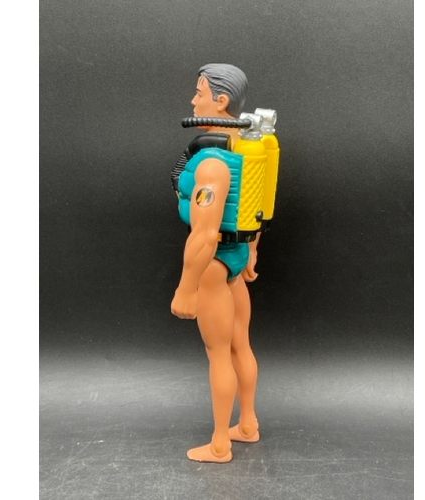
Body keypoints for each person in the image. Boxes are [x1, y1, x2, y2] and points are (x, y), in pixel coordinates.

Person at [171, 63, 261, 463]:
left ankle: (221, 443)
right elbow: (255, 209)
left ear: (220, 101)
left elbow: (205, 234)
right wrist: (251, 251)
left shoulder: (211, 163)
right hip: (236, 257)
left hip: (212, 265)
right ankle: (248, 424)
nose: (194, 100)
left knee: (219, 354)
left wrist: (186, 289)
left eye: (200, 92)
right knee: (241, 344)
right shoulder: (245, 151)